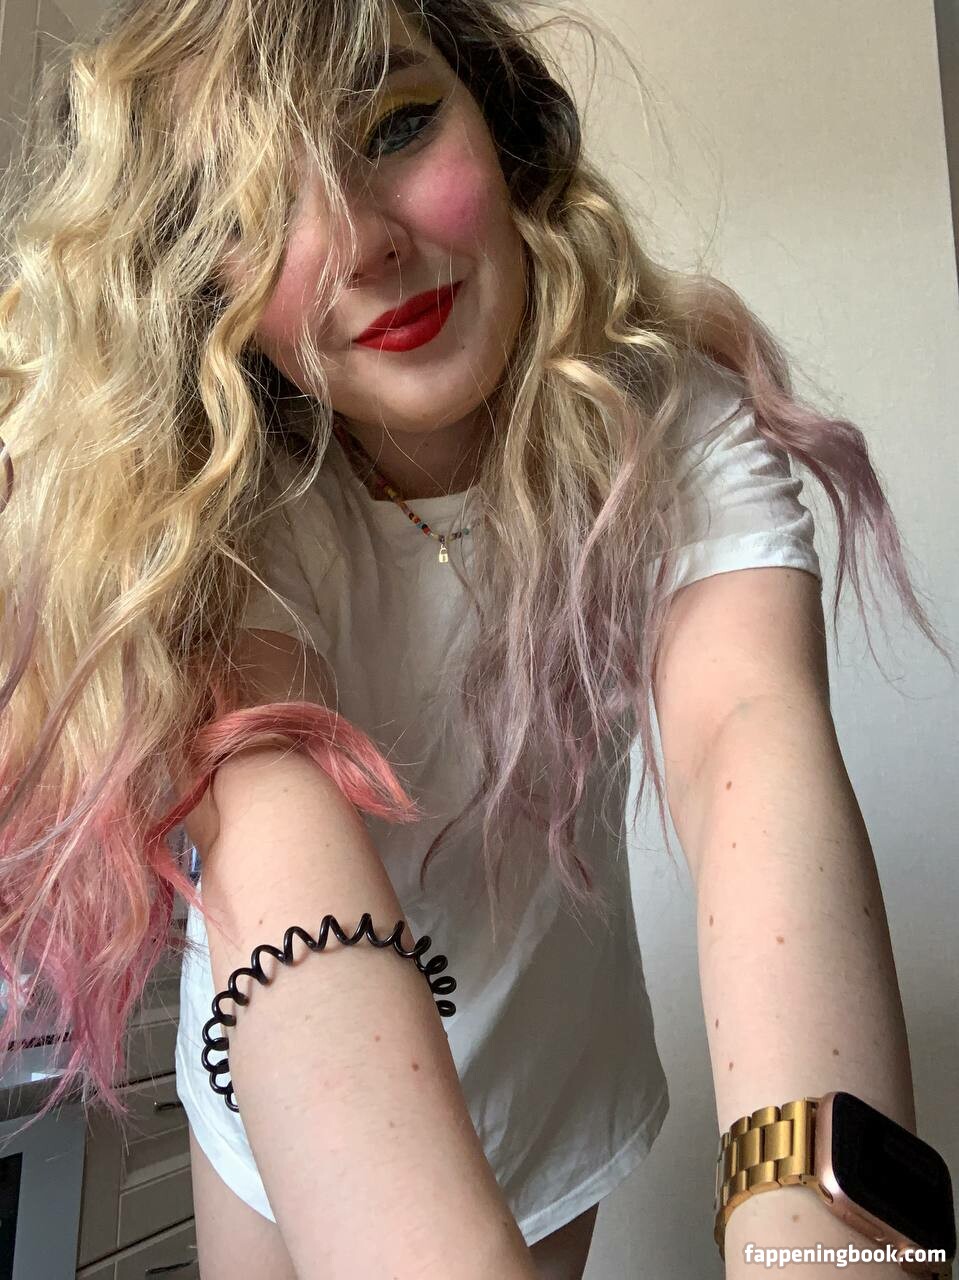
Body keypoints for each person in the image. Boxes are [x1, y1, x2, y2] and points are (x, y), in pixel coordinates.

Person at [0, 1, 950, 1278]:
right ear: (202, 282)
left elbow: (744, 738)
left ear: (497, 123)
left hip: (551, 1088)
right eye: (246, 209)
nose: (360, 247)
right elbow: (280, 840)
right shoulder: (216, 513)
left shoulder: (669, 425)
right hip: (268, 1106)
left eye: (393, 126)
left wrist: (825, 1246)